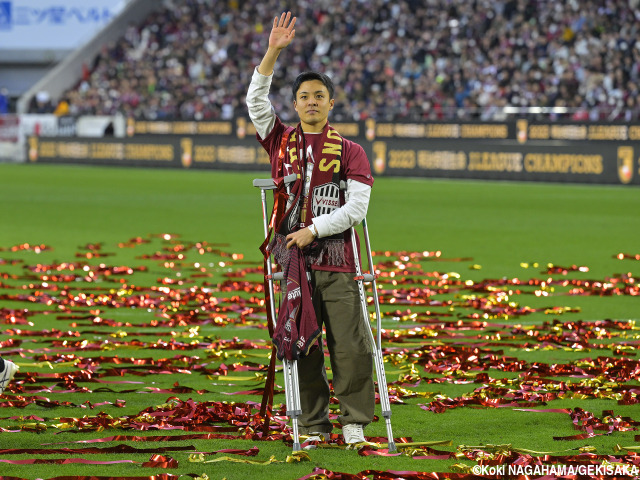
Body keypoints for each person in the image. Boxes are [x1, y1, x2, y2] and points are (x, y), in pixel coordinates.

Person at [246, 11, 375, 445]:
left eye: (320, 95)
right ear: (296, 103)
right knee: (303, 344)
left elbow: (357, 207)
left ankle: (353, 419)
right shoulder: (279, 139)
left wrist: (314, 229)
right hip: (291, 261)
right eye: (304, 96)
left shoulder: (351, 150)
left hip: (336, 259)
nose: (312, 102)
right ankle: (314, 423)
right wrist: (272, 52)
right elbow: (255, 102)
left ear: (331, 103)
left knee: (351, 344)